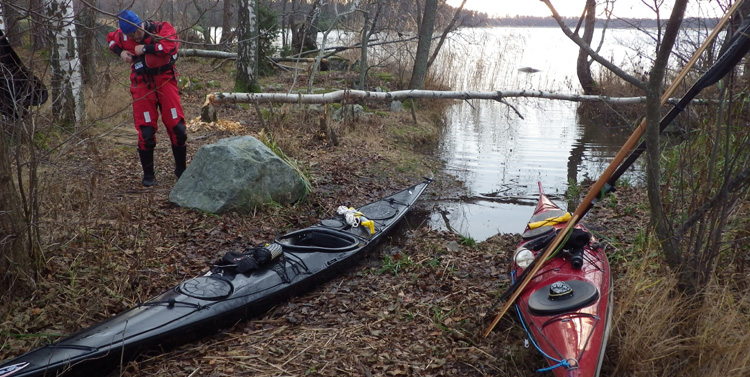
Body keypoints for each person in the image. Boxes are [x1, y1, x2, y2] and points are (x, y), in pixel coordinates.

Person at [107, 9, 187, 186]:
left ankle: (181, 170)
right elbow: (110, 40)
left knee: (178, 128)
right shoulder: (123, 36)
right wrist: (120, 52)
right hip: (142, 83)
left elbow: (169, 46)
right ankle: (149, 175)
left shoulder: (161, 28)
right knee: (146, 132)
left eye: (136, 31)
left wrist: (145, 48)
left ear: (140, 23)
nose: (134, 36)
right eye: (130, 34)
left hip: (165, 80)